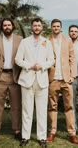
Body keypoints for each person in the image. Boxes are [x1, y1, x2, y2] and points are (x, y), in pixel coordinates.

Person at [15, 17, 54, 148]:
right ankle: (25, 137)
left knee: (42, 110)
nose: (37, 27)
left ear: (42, 28)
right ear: (31, 27)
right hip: (27, 80)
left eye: (39, 25)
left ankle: (42, 138)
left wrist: (42, 66)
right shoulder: (24, 42)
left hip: (42, 80)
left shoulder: (47, 42)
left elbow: (51, 61)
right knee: (27, 110)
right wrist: (30, 65)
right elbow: (18, 59)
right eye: (35, 25)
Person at [0, 18, 22, 142]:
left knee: (16, 106)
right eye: (5, 25)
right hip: (0, 76)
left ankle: (17, 130)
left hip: (15, 77)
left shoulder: (19, 40)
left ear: (13, 26)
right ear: (2, 27)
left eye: (9, 25)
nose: (7, 27)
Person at [47, 19, 78, 145]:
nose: (56, 28)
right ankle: (52, 132)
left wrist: (72, 75)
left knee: (69, 107)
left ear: (61, 28)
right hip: (53, 79)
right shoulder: (47, 41)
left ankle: (72, 133)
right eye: (54, 26)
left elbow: (72, 58)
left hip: (66, 79)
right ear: (51, 27)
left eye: (58, 26)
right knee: (52, 107)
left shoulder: (68, 40)